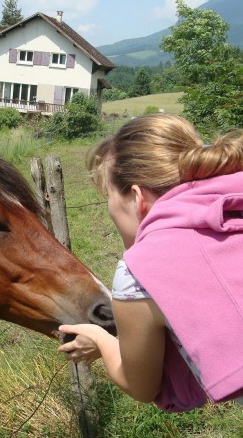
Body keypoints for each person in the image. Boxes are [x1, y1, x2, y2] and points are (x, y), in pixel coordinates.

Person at [58, 114, 243, 412]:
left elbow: (141, 386)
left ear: (136, 198)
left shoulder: (140, 271)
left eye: (109, 197)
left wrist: (101, 339)